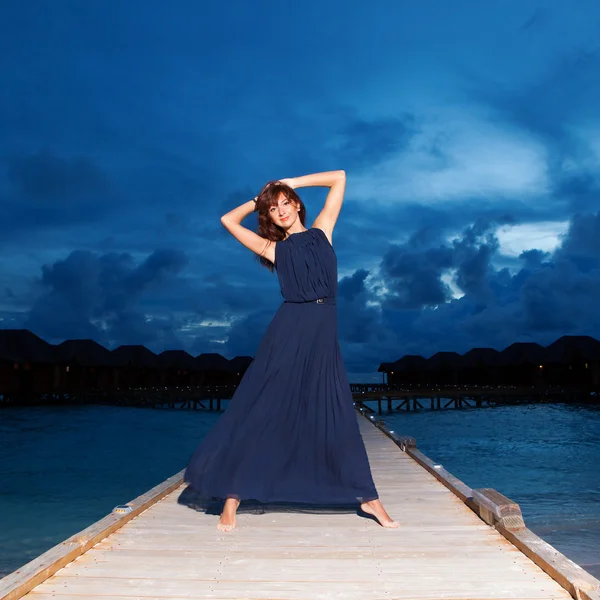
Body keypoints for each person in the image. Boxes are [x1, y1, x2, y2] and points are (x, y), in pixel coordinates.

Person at [184, 170, 398, 532]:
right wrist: (261, 199)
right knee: (263, 410)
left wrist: (288, 184)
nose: (281, 210)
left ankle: (369, 498)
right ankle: (232, 498)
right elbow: (227, 220)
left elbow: (340, 178)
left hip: (324, 331)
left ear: (296, 205)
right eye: (273, 209)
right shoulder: (273, 248)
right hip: (289, 329)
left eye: (285, 204)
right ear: (267, 217)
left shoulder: (322, 231)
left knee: (338, 414)